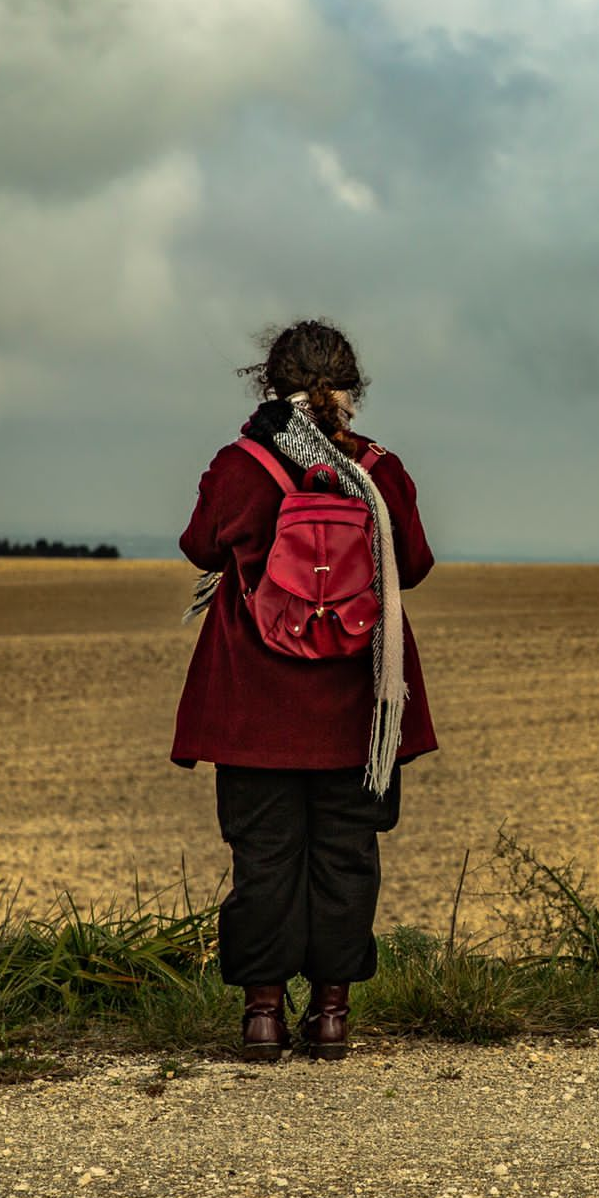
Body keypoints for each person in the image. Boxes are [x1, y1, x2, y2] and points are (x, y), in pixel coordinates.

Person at [171, 319, 436, 1061]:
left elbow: (198, 545)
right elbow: (412, 565)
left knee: (263, 858)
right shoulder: (380, 470)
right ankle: (331, 1017)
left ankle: (261, 1017)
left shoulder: (241, 463)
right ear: (352, 391)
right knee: (347, 857)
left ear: (267, 383)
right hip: (359, 710)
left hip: (253, 706)